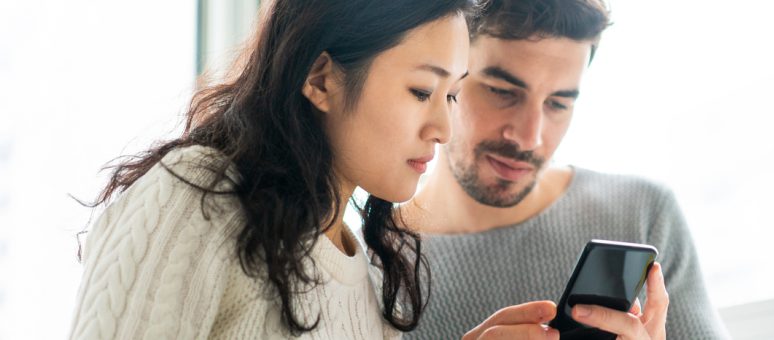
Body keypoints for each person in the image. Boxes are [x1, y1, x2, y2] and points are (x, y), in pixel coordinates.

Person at [69, 0, 472, 338]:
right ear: (321, 79)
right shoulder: (198, 198)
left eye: (452, 95)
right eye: (422, 92)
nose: (444, 129)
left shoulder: (368, 281)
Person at [398, 0, 731, 339]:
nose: (530, 138)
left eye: (558, 103)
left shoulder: (645, 214)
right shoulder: (376, 265)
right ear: (448, 77)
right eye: (502, 92)